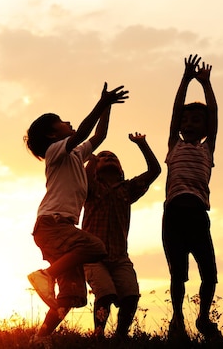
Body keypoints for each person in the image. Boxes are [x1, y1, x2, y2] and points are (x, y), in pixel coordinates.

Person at [24, 82, 129, 347]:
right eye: (61, 121)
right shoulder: (55, 151)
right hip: (53, 225)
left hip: (60, 229)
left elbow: (98, 136)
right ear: (50, 135)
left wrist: (108, 108)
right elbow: (83, 131)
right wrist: (101, 103)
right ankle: (45, 275)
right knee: (95, 246)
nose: (67, 122)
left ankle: (40, 338)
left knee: (71, 296)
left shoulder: (73, 155)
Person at [163, 54, 223, 344]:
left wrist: (206, 84)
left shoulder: (208, 148)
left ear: (205, 126)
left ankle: (203, 317)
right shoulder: (174, 145)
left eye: (196, 120)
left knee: (209, 274)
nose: (189, 123)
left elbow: (214, 113)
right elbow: (175, 111)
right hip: (174, 215)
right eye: (186, 120)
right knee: (178, 274)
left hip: (198, 215)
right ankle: (177, 318)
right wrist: (185, 79)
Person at [82, 132, 161, 340]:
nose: (108, 158)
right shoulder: (90, 188)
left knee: (131, 295)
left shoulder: (128, 189)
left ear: (121, 170)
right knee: (106, 293)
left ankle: (120, 337)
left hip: (119, 257)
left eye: (113, 157)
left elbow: (155, 170)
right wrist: (91, 160)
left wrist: (142, 144)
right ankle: (98, 335)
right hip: (92, 257)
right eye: (103, 157)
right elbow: (84, 177)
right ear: (96, 168)